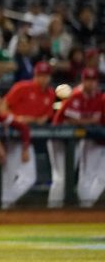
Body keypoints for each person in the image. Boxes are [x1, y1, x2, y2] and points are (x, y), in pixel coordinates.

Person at [3, 61, 55, 207]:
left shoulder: (50, 94)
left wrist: (36, 120)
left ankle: (3, 202)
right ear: (35, 75)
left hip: (26, 140)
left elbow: (45, 118)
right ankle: (1, 203)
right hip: (12, 136)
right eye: (40, 75)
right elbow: (2, 107)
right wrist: (16, 119)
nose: (43, 79)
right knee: (8, 176)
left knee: (29, 178)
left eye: (46, 75)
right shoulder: (22, 87)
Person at [48, 68, 103, 208]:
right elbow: (72, 121)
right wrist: (91, 121)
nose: (90, 83)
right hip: (58, 139)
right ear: (82, 81)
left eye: (93, 80)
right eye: (87, 80)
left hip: (76, 141)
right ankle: (52, 210)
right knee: (61, 177)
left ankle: (81, 206)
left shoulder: (97, 97)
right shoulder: (75, 95)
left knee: (69, 176)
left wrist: (89, 121)